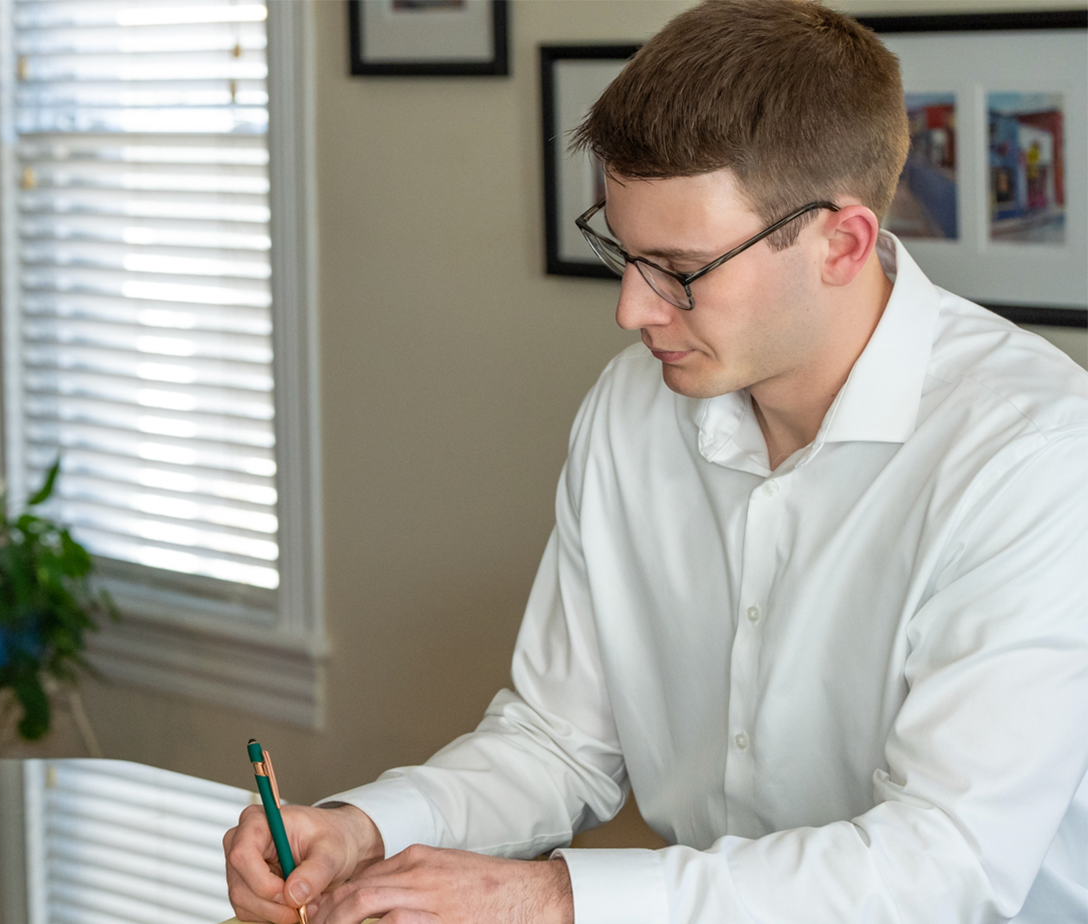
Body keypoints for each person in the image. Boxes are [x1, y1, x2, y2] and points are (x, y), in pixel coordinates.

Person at [224, 2, 1088, 923]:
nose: (633, 311)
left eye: (678, 269)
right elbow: (558, 740)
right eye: (623, 253)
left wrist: (553, 897)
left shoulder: (1034, 457)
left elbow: (942, 865)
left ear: (842, 244)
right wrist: (368, 826)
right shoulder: (631, 409)